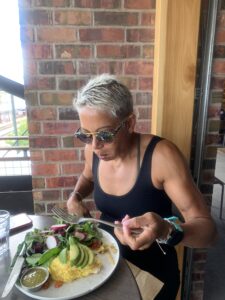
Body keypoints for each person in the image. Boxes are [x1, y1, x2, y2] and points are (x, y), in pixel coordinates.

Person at [67, 74, 217, 299]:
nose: (96, 145)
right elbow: (87, 177)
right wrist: (76, 196)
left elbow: (208, 231)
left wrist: (166, 230)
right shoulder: (93, 150)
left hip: (153, 278)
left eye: (105, 134)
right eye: (86, 135)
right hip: (106, 267)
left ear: (129, 123)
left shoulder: (161, 156)